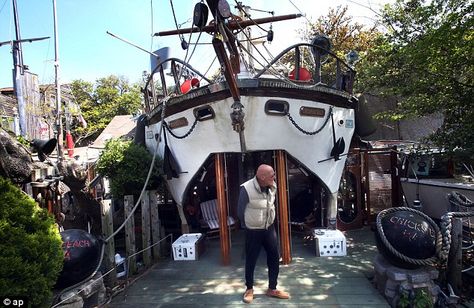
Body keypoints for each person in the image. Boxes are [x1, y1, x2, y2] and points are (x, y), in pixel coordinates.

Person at [237, 164, 290, 304]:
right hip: (253, 231)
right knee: (251, 260)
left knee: (274, 257)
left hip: (269, 228)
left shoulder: (272, 185)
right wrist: (249, 225)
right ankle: (249, 289)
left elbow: (271, 205)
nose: (274, 176)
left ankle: (272, 289)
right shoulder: (246, 189)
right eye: (272, 174)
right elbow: (239, 211)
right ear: (262, 177)